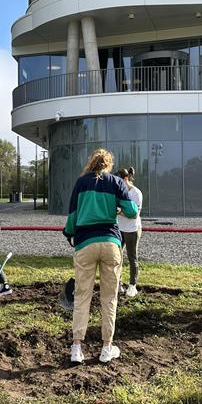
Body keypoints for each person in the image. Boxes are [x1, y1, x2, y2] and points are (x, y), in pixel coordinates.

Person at [63, 149, 138, 365]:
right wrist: (117, 210)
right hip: (110, 243)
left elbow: (72, 217)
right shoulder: (116, 182)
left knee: (82, 296)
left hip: (85, 243)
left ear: (92, 163)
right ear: (108, 165)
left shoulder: (81, 183)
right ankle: (107, 347)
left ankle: (77, 347)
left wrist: (69, 233)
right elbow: (132, 211)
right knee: (109, 297)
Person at [115, 167, 143, 298]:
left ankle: (132, 285)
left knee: (132, 257)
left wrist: (120, 212)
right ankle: (118, 283)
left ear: (126, 179)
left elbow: (134, 215)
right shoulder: (119, 191)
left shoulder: (136, 193)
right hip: (119, 228)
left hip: (132, 229)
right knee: (117, 257)